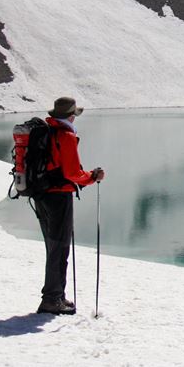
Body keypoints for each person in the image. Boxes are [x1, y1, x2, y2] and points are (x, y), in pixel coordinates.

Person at [35, 96, 105, 315]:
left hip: (41, 194)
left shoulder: (48, 131)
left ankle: (56, 296)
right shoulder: (65, 136)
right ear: (71, 116)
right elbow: (72, 173)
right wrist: (92, 176)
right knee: (60, 247)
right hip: (58, 197)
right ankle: (52, 299)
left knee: (53, 246)